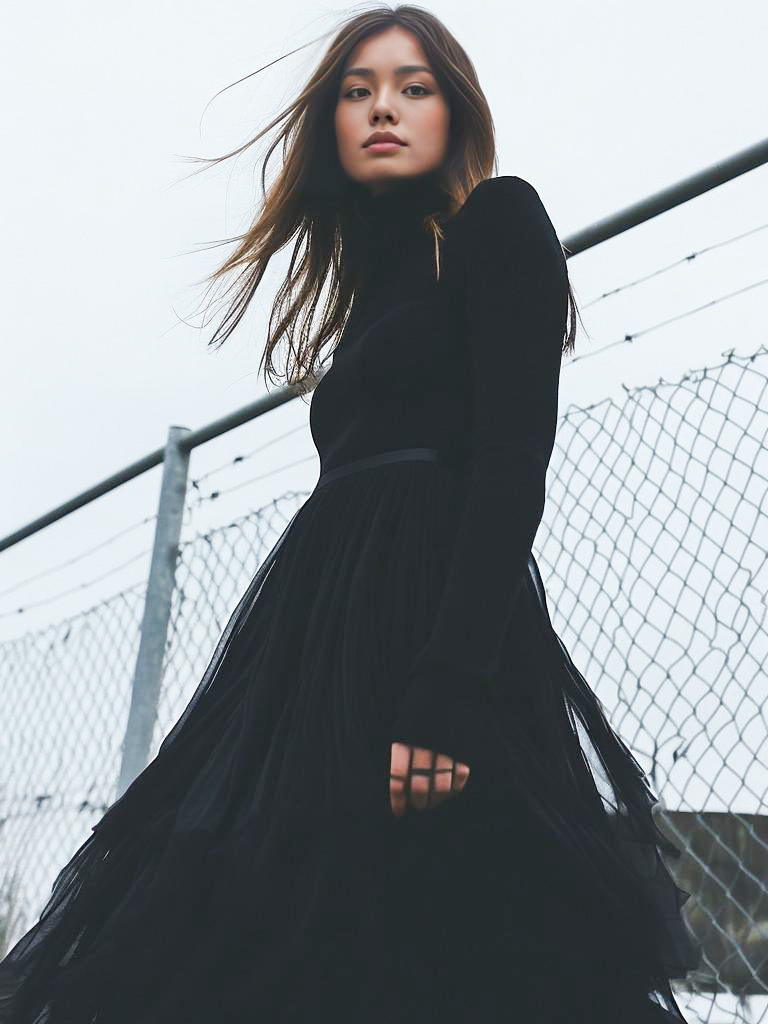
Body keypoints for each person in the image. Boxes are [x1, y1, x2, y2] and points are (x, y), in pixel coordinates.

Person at [0, 6, 701, 1023]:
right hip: (312, 659)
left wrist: (447, 688)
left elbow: (513, 464)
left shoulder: (497, 223)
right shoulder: (372, 295)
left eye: (412, 86)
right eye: (358, 90)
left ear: (455, 112)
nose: (383, 107)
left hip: (434, 645)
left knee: (455, 936)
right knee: (257, 942)